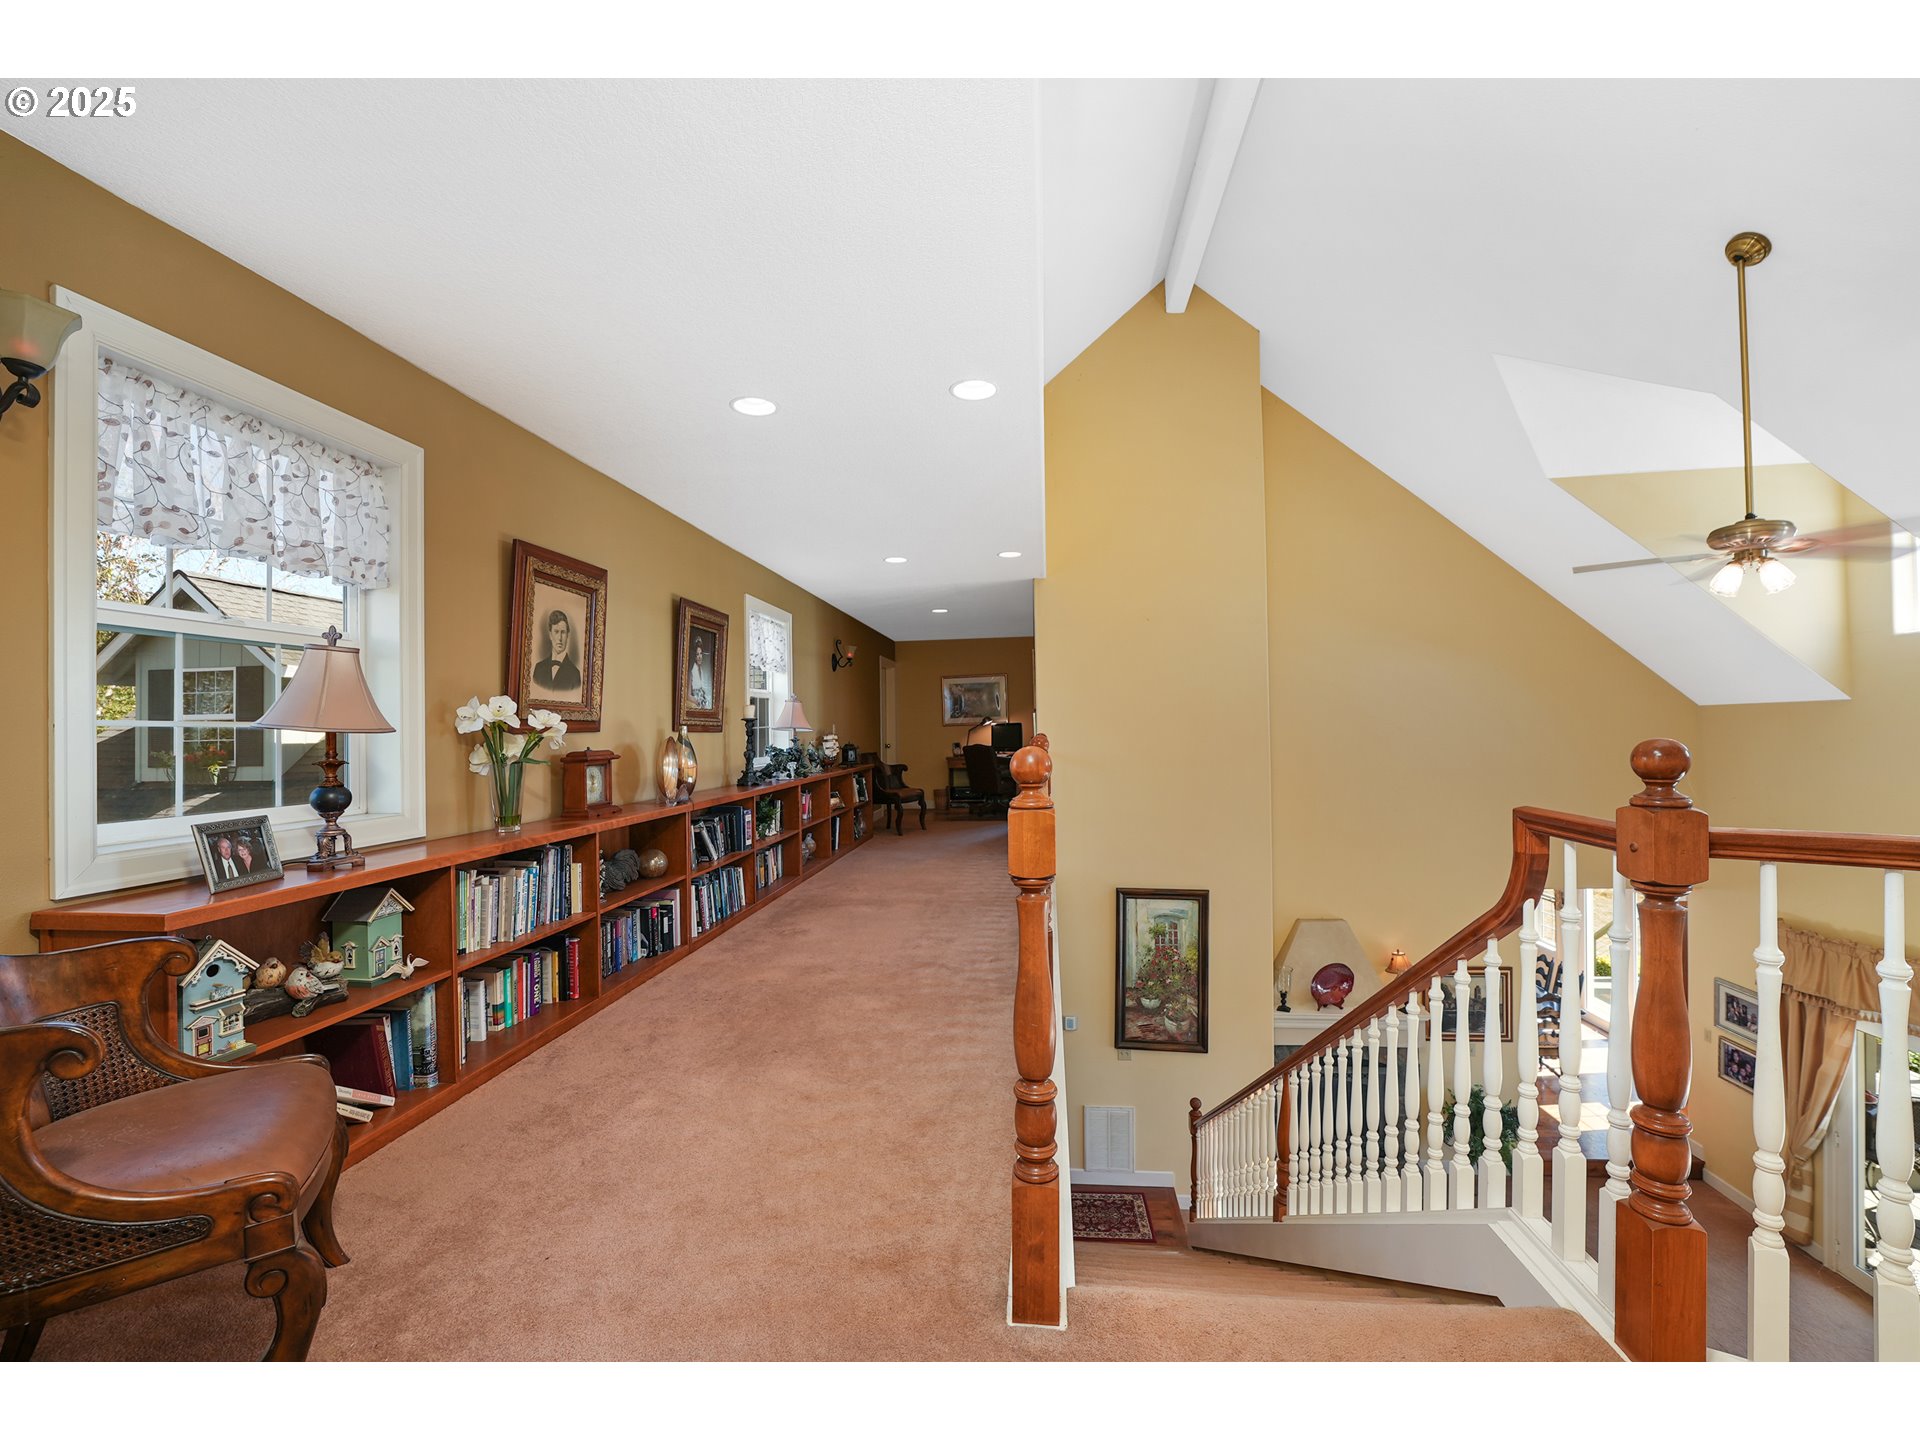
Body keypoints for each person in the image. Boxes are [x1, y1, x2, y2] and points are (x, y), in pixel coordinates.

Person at [532, 609, 582, 695]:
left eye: (563, 632)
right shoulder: (539, 668)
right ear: (550, 635)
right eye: (556, 632)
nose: (560, 638)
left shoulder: (575, 674)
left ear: (567, 635)